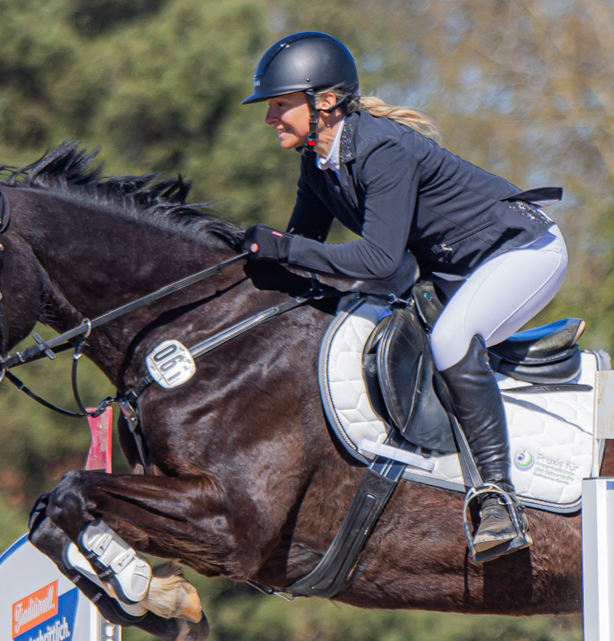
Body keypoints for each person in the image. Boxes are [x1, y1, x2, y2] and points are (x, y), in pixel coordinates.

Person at [240, 31, 568, 564]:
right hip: (459, 269)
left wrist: (285, 247)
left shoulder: (382, 149)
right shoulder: (317, 163)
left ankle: (499, 501)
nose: (269, 117)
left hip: (523, 251)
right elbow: (302, 254)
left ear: (325, 102)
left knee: (451, 340)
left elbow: (377, 260)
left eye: (280, 105)